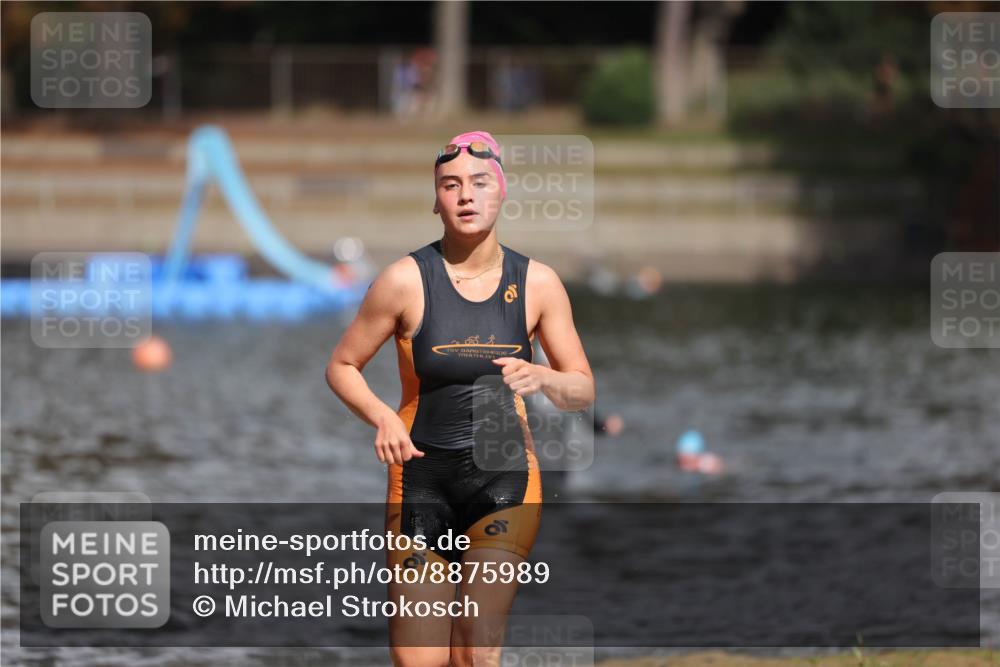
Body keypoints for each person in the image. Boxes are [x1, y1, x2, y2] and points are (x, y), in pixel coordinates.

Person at [325, 131, 595, 667]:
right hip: (421, 477)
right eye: (451, 185)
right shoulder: (404, 281)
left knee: (475, 650)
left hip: (506, 479)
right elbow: (342, 365)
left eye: (479, 183)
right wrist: (381, 415)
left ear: (502, 194)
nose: (466, 195)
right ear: (436, 200)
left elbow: (582, 388)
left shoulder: (538, 283)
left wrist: (541, 378)